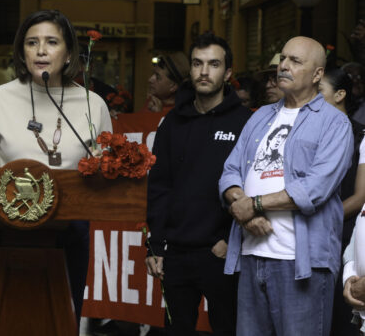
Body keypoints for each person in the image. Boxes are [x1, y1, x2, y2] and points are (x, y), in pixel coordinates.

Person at [0, 10, 112, 326]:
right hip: (5, 232)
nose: (41, 51)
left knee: (61, 322)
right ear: (22, 52)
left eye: (51, 42)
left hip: (68, 234)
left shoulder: (92, 105)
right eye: (32, 43)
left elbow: (104, 168)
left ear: (69, 52)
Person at [220, 36, 353, 336]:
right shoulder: (261, 116)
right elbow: (230, 171)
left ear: (317, 75)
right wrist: (244, 208)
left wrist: (252, 205)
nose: (284, 66)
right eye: (283, 59)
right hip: (252, 254)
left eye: (295, 61)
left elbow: (315, 188)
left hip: (300, 261)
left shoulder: (334, 123)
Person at [145, 33, 251, 336]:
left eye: (214, 64)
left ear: (228, 73)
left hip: (221, 251)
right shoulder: (172, 123)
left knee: (228, 329)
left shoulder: (246, 122)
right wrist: (155, 245)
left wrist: (231, 240)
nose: (204, 72)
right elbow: (159, 187)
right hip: (175, 253)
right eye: (197, 63)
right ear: (189, 70)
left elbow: (254, 188)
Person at [319, 68, 365, 335]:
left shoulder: (359, 135)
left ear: (340, 95)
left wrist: (318, 219)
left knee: (342, 316)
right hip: (312, 240)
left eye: (319, 92)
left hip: (345, 233)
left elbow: (361, 196)